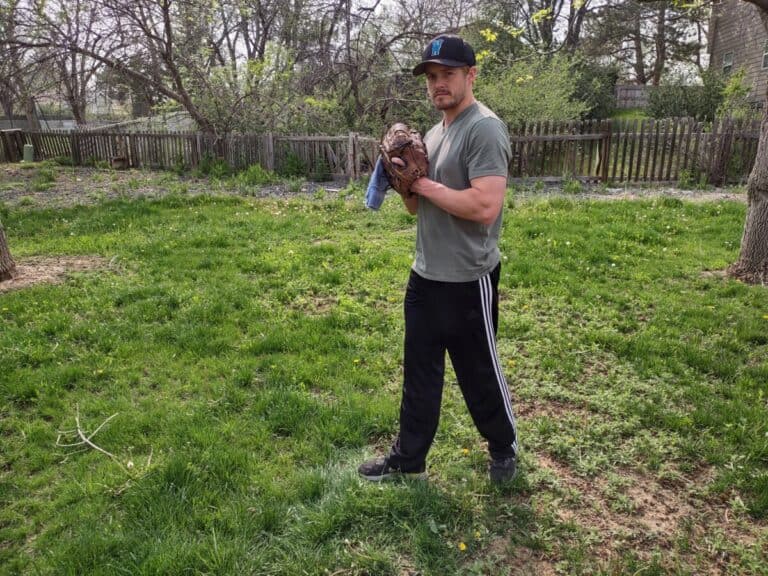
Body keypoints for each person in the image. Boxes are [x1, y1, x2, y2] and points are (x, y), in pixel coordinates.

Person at [358, 34, 518, 484]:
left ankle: (503, 448)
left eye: (448, 74)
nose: (438, 84)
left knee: (478, 371)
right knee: (420, 373)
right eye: (431, 77)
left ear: (471, 75)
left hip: (469, 277)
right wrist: (399, 179)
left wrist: (422, 184)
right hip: (425, 275)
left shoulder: (484, 128)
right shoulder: (432, 134)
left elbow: (485, 206)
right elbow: (418, 208)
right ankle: (409, 459)